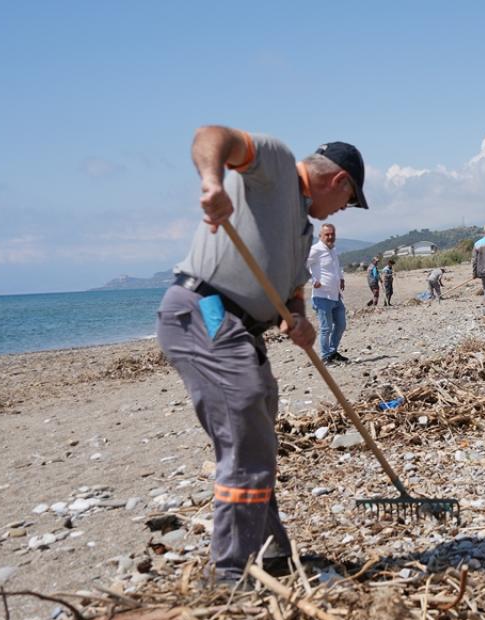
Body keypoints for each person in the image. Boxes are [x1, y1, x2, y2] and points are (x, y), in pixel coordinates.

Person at [157, 126, 369, 584]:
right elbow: (210, 135)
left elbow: (290, 291)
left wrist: (298, 317)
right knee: (246, 423)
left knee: (257, 425)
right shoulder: (274, 164)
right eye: (348, 202)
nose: (342, 212)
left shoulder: (301, 227)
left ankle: (272, 551)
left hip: (241, 327)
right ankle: (231, 572)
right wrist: (212, 183)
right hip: (205, 309)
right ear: (340, 182)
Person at [307, 223, 349, 364]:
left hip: (335, 295)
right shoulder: (315, 250)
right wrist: (313, 280)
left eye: (332, 234)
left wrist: (341, 278)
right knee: (326, 328)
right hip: (322, 296)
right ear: (320, 236)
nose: (330, 237)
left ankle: (332, 352)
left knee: (341, 324)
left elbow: (337, 267)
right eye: (327, 234)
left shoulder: (333, 250)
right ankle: (325, 357)